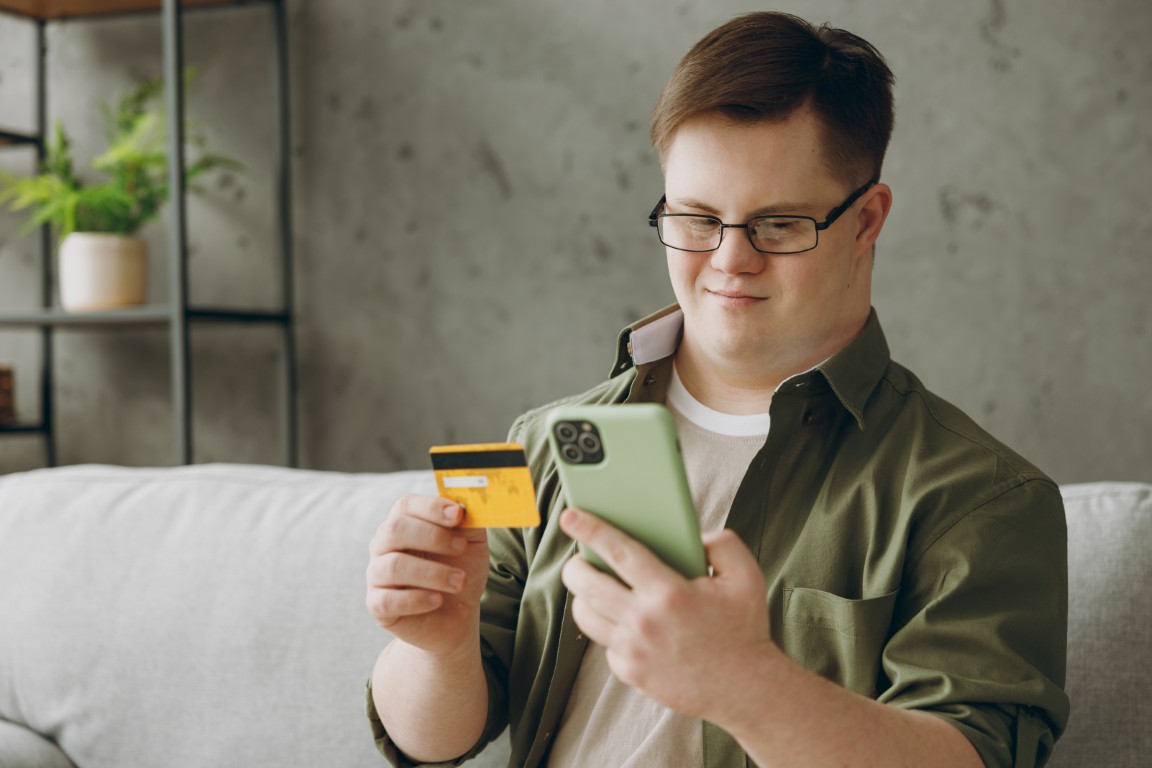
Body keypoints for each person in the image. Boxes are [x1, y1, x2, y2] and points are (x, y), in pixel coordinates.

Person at [364, 11, 1069, 768]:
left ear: (866, 220)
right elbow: (433, 745)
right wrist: (435, 645)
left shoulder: (981, 499)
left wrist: (746, 686)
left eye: (779, 224)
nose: (730, 259)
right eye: (697, 218)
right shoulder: (542, 443)